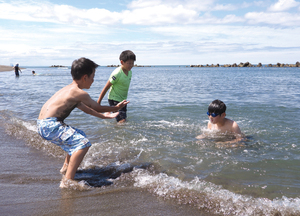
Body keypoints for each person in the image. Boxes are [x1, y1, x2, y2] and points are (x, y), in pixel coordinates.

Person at [37, 57, 129, 187]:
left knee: (79, 135)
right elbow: (96, 107)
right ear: (85, 77)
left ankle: (65, 168)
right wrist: (116, 107)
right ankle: (68, 180)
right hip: (50, 125)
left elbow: (89, 110)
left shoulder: (70, 90)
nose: (93, 80)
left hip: (43, 124)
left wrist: (105, 117)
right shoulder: (79, 93)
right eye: (93, 76)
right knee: (83, 144)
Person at [97, 50, 136, 123]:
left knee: (123, 118)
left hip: (123, 100)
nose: (131, 65)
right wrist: (98, 102)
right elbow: (106, 87)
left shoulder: (129, 71)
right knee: (122, 120)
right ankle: (117, 133)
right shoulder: (117, 73)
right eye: (129, 63)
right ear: (122, 62)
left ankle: (108, 114)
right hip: (114, 99)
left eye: (132, 63)